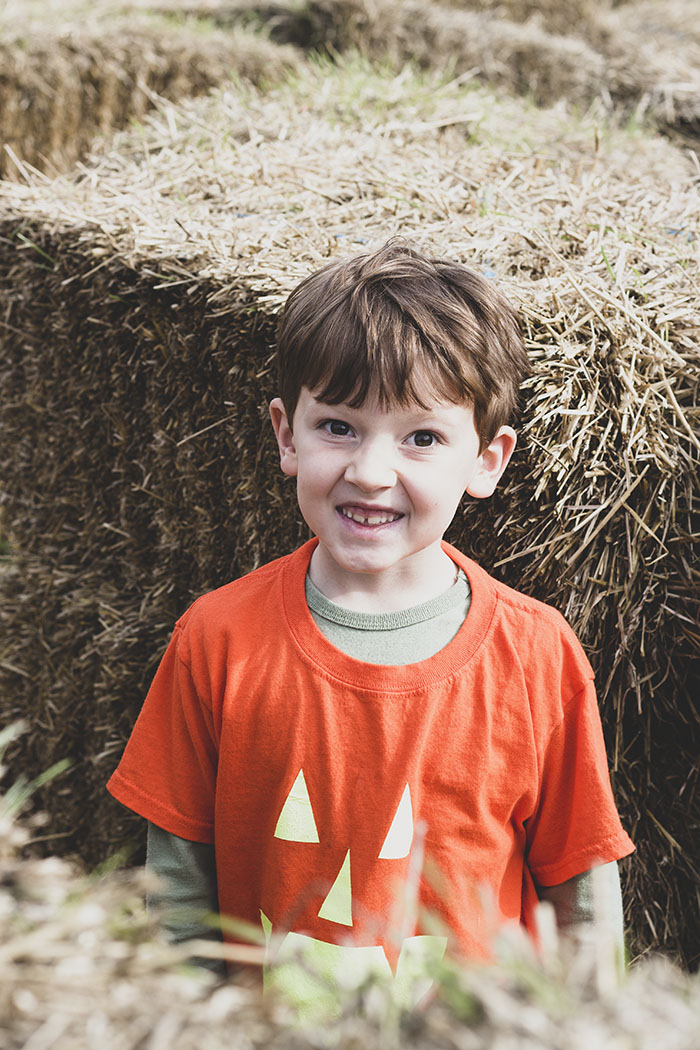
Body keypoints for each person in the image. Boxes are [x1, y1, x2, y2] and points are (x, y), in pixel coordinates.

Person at [107, 240, 634, 1017]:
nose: (372, 472)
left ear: (485, 461)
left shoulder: (537, 655)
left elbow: (580, 896)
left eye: (421, 438)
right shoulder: (216, 640)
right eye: (340, 427)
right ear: (288, 435)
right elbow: (178, 888)